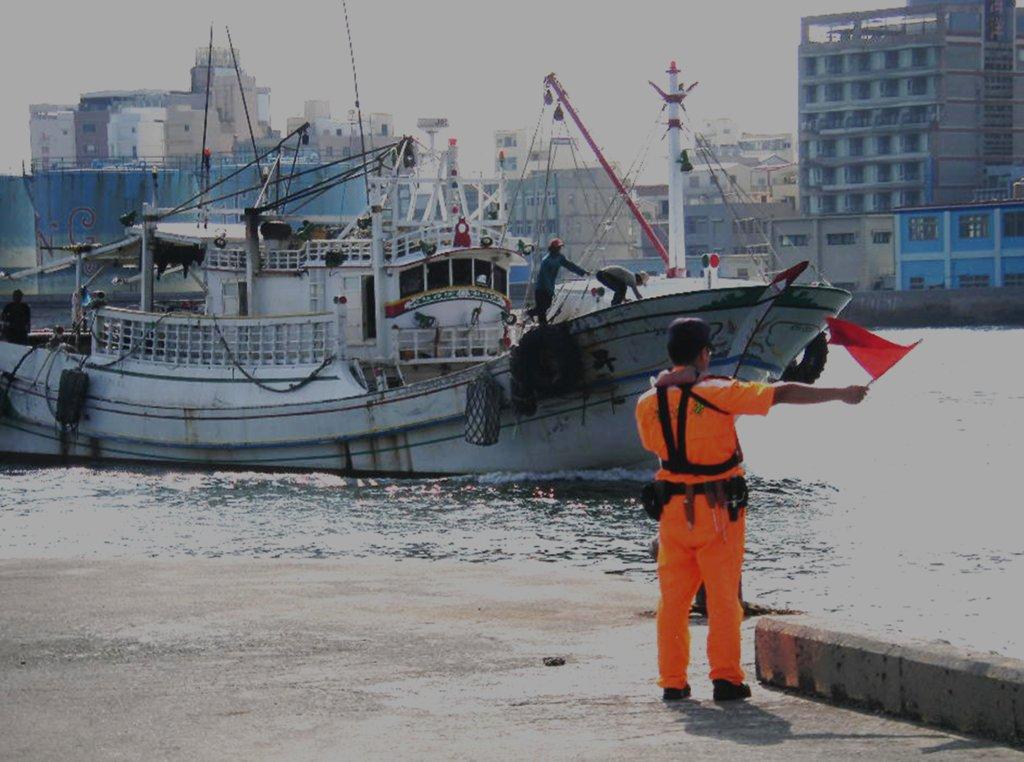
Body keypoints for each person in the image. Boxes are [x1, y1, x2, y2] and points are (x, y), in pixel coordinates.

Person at [635, 318, 868, 702]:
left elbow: (652, 445)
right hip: (717, 511)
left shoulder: (648, 403)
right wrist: (842, 392)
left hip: (672, 513)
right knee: (724, 597)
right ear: (704, 354)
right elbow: (782, 392)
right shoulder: (718, 392)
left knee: (673, 602)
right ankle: (725, 678)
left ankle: (673, 682)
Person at [527, 238, 588, 327]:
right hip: (541, 288)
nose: (559, 249)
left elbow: (570, 265)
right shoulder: (546, 261)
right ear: (553, 248)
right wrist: (550, 291)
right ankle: (541, 324)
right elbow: (545, 278)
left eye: (560, 247)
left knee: (547, 305)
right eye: (558, 248)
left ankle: (532, 314)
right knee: (542, 309)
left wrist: (582, 272)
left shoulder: (560, 258)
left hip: (549, 287)